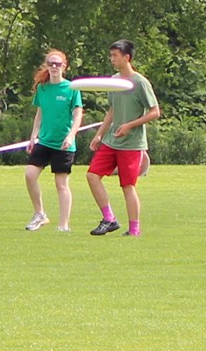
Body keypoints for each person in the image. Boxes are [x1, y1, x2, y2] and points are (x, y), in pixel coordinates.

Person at [86, 39, 161, 237]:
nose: (111, 59)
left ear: (127, 57)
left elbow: (155, 112)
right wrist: (100, 134)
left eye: (115, 55)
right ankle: (109, 219)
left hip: (132, 144)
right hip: (112, 141)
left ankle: (134, 230)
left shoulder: (140, 83)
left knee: (128, 186)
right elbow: (112, 110)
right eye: (111, 55)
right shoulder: (114, 81)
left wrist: (130, 125)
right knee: (92, 175)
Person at [24, 49, 84, 231]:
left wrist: (71, 135)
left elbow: (78, 114)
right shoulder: (42, 88)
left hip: (63, 144)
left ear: (64, 66)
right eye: (51, 64)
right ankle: (40, 214)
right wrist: (33, 136)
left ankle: (63, 225)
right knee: (30, 175)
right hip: (44, 141)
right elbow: (40, 113)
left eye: (58, 64)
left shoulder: (72, 88)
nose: (54, 67)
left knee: (61, 184)